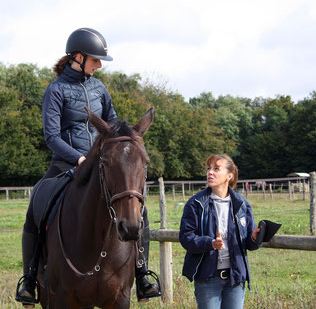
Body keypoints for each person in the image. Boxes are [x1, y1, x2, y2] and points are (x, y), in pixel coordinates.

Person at [16, 27, 160, 305]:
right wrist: (79, 158)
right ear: (78, 57)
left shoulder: (99, 88)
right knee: (38, 200)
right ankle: (31, 278)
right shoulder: (55, 90)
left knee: (138, 209)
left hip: (103, 163)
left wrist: (121, 145)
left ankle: (142, 274)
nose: (98, 65)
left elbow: (114, 125)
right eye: (95, 60)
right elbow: (52, 137)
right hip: (66, 164)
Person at [179, 154, 261, 309]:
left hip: (235, 279)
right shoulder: (195, 204)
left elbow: (250, 245)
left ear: (229, 176)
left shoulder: (242, 204)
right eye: (209, 168)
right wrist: (210, 243)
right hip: (208, 278)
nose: (210, 172)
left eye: (216, 168)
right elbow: (186, 238)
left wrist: (256, 238)